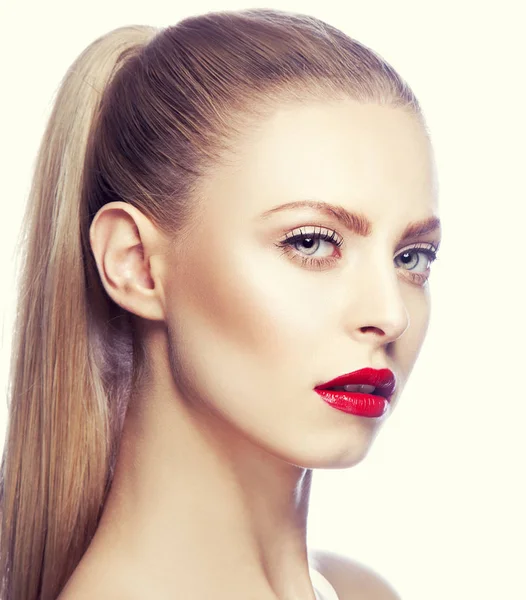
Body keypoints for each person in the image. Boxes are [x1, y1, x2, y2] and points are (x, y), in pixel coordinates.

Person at [0, 7, 441, 600]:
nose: (390, 315)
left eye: (412, 256)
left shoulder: (362, 591)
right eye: (310, 242)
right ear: (135, 264)